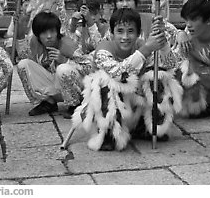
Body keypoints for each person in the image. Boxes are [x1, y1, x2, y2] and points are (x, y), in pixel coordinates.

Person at [72, 8, 183, 151]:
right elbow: (120, 74)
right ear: (111, 33)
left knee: (159, 75)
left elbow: (170, 65)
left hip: (136, 103)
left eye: (130, 31)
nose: (125, 37)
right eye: (120, 31)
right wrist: (146, 49)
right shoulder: (103, 50)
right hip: (103, 106)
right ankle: (108, 134)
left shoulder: (142, 45)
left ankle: (149, 126)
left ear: (138, 33)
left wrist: (163, 43)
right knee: (106, 80)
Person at [15, 11, 81, 116]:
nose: (49, 36)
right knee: (23, 64)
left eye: (52, 31)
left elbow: (87, 67)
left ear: (57, 32)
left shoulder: (67, 44)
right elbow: (25, 57)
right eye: (44, 33)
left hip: (73, 88)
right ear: (37, 34)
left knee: (63, 69)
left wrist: (64, 60)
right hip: (53, 86)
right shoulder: (34, 42)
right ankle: (48, 102)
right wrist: (19, 31)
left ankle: (75, 105)